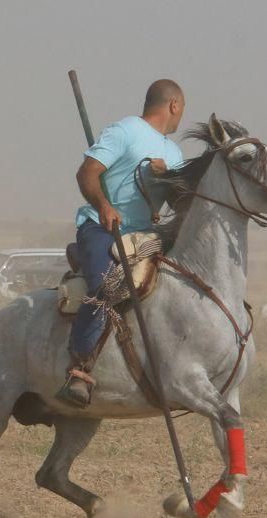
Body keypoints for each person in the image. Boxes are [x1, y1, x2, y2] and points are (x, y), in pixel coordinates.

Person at [57, 80, 185, 407]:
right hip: (103, 227)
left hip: (145, 236)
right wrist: (104, 206)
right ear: (174, 105)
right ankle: (79, 368)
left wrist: (165, 178)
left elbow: (176, 200)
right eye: (182, 109)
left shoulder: (174, 153)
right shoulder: (126, 131)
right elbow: (87, 173)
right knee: (106, 284)